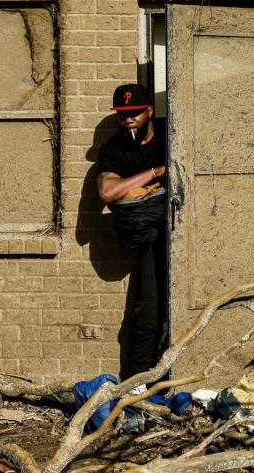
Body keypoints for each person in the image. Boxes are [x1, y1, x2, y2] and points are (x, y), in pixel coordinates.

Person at [96, 83, 168, 379]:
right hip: (145, 238)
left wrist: (138, 190)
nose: (128, 119)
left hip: (179, 231)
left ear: (149, 111)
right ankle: (139, 381)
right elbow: (108, 192)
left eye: (135, 113)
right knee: (148, 307)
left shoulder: (168, 134)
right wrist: (156, 174)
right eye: (122, 114)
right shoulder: (114, 149)